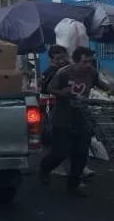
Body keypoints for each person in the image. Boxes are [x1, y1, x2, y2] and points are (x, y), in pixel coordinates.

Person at [39, 46, 108, 197]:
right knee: (60, 152)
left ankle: (73, 185)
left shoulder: (91, 73)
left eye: (90, 61)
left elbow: (103, 86)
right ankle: (44, 169)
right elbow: (50, 88)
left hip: (82, 117)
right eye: (84, 62)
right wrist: (62, 93)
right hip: (63, 118)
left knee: (81, 154)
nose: (88, 65)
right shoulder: (63, 73)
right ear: (75, 62)